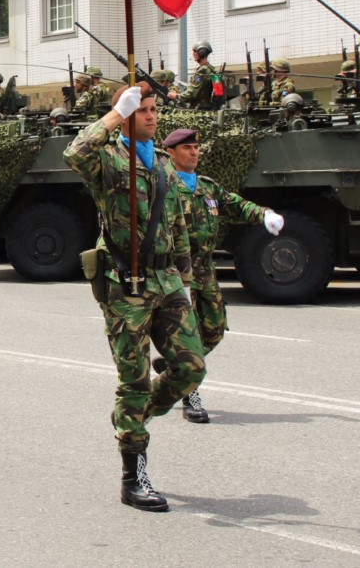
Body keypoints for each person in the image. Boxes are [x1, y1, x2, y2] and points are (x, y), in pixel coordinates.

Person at [64, 83, 205, 512]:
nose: (150, 116)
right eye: (141, 110)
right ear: (125, 114)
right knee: (134, 381)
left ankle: (135, 417)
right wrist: (112, 116)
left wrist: (185, 279)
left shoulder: (163, 164)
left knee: (191, 368)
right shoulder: (108, 159)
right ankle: (134, 477)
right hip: (127, 283)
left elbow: (176, 226)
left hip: (166, 280)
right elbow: (74, 153)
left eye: (153, 109)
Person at [161, 128, 283, 422]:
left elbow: (237, 205)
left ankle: (177, 369)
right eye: (187, 148)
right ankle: (190, 394)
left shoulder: (207, 187)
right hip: (178, 273)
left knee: (214, 330)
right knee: (187, 335)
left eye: (196, 147)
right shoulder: (163, 187)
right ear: (171, 153)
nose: (194, 152)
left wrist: (264, 214)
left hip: (205, 270)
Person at [179, 42, 216, 108]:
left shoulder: (203, 70)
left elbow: (193, 91)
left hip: (198, 108)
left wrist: (177, 96)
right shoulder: (209, 68)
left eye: (195, 52)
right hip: (201, 106)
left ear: (202, 53)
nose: (193, 54)